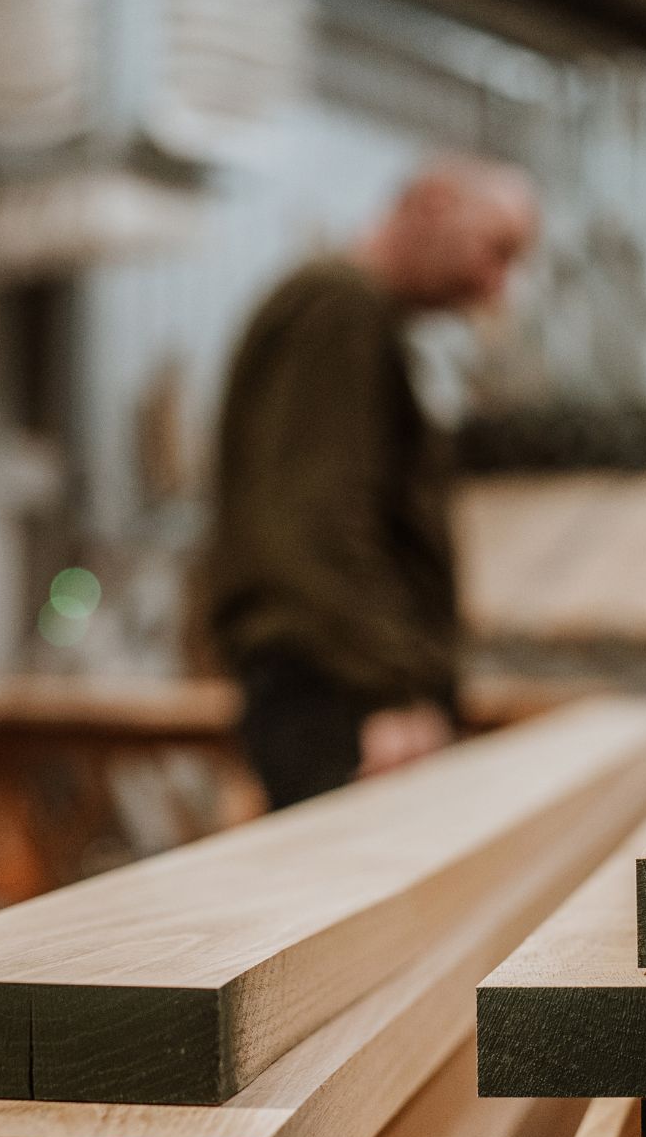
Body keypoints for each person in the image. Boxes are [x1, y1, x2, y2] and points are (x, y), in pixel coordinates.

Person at [201, 155, 539, 809]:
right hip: (340, 695)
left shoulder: (359, 314)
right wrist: (389, 693)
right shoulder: (339, 307)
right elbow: (318, 523)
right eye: (495, 250)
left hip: (345, 684)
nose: (495, 287)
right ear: (435, 202)